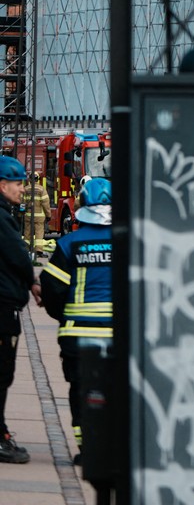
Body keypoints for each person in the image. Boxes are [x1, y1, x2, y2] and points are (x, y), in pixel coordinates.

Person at [38, 177, 111, 451]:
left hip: (77, 334)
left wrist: (63, 316)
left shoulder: (69, 244)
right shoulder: (126, 243)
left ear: (82, 204)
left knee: (81, 389)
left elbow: (52, 288)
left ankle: (87, 447)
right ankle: (111, 446)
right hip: (119, 334)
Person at [0, 156, 34, 463]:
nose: (22, 189)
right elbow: (19, 256)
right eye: (18, 183)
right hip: (2, 308)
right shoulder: (1, 217)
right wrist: (33, 282)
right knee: (1, 372)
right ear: (2, 185)